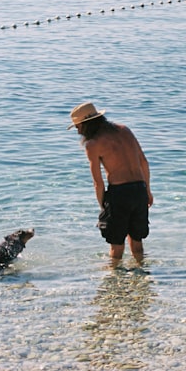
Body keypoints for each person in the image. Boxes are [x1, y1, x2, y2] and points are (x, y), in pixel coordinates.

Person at [68, 102, 153, 263]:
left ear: (86, 125)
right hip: (139, 190)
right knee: (137, 242)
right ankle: (142, 278)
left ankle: (114, 282)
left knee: (117, 245)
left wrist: (103, 207)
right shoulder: (125, 130)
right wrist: (147, 191)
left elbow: (98, 183)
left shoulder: (92, 144)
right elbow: (144, 162)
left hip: (119, 194)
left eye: (78, 127)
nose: (78, 131)